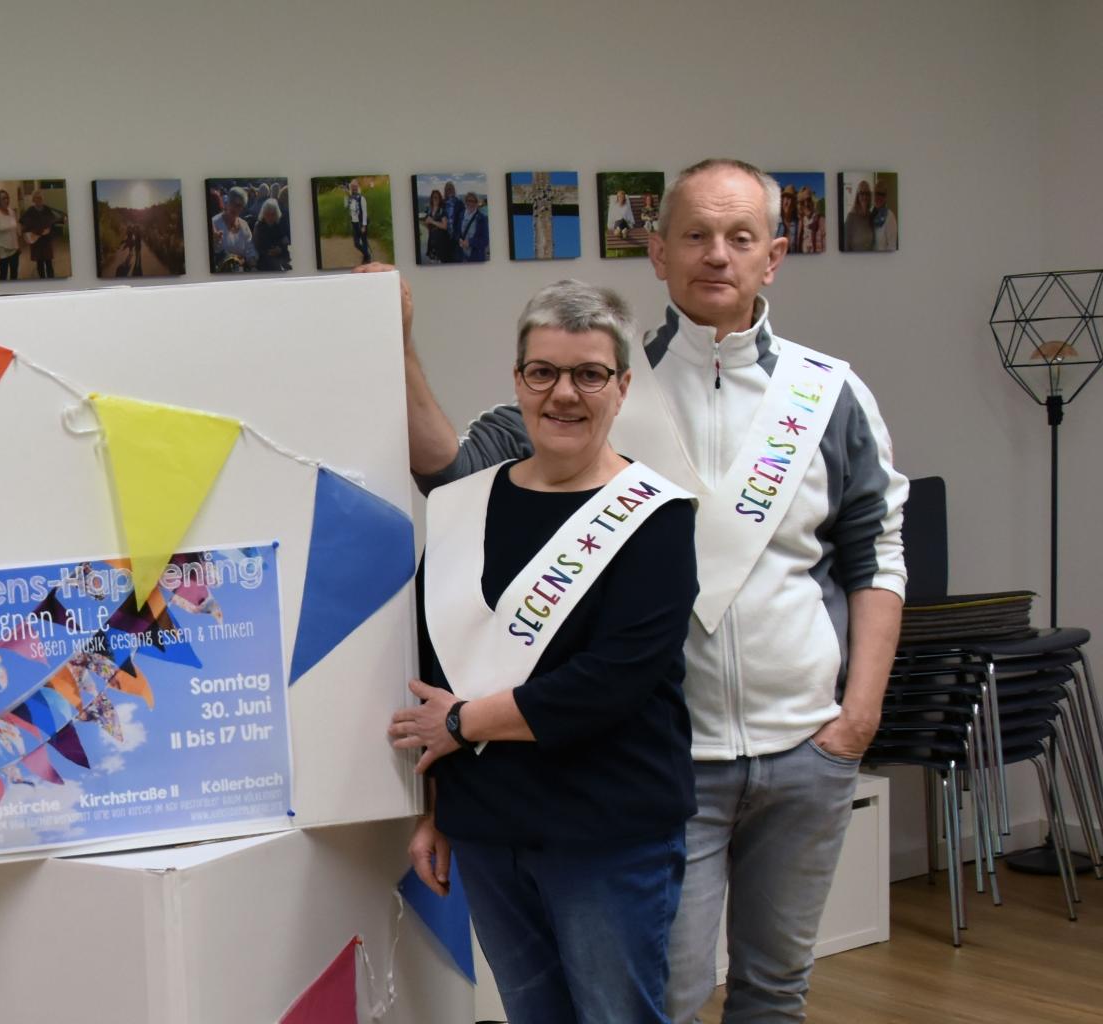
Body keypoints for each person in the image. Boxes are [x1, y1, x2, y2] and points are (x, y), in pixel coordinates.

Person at [372, 157, 907, 1022]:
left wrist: (858, 716)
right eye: (695, 235)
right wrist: (393, 342)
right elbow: (452, 468)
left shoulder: (831, 394)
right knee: (668, 992)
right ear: (657, 253)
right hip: (667, 764)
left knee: (776, 989)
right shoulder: (607, 378)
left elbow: (874, 555)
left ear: (774, 256)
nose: (717, 255)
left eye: (740, 238)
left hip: (806, 746)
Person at [390, 281, 698, 1022]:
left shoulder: (656, 517)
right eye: (544, 372)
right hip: (489, 828)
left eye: (589, 373)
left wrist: (464, 725)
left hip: (607, 836)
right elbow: (439, 669)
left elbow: (611, 683)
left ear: (622, 387)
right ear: (518, 382)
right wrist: (434, 811)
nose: (565, 394)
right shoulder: (464, 506)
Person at [20, 189, 64, 280]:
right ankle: (42, 280)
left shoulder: (47, 209)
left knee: (49, 263)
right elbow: (23, 223)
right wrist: (35, 232)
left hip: (46, 241)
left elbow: (52, 222)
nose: (39, 199)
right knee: (39, 263)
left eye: (40, 198)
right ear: (33, 199)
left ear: (43, 199)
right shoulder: (30, 211)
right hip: (36, 241)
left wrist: (51, 228)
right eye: (37, 198)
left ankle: (51, 282)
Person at [211, 187, 256, 272]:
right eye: (232, 203)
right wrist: (214, 242)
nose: (234, 208)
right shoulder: (214, 223)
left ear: (242, 208)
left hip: (241, 270)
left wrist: (252, 264)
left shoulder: (244, 225)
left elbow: (250, 248)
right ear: (227, 203)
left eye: (239, 205)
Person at [0, 188, 22, 281]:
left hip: (14, 249)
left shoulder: (12, 212)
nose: (6, 200)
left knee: (14, 274)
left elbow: (15, 230)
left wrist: (18, 245)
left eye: (7, 198)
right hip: (3, 251)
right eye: (3, 198)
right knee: (3, 275)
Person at [253, 197, 291, 272]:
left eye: (272, 214)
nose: (270, 217)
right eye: (267, 214)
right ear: (263, 213)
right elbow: (257, 246)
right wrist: (269, 252)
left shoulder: (278, 225)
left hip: (279, 256)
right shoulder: (259, 226)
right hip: (264, 259)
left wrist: (280, 248)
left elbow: (284, 241)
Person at [421, 189, 454, 265]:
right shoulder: (429, 210)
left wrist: (432, 221)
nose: (435, 199)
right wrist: (426, 223)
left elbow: (444, 226)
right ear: (431, 199)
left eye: (437, 197)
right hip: (432, 241)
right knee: (432, 263)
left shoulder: (442, 210)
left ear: (440, 199)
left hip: (441, 242)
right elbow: (427, 225)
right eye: (434, 197)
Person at [842, 178, 876, 252]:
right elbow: (845, 247)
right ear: (857, 196)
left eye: (867, 193)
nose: (864, 196)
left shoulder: (871, 216)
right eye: (862, 193)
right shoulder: (850, 217)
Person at [458, 192, 490, 263]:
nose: (471, 203)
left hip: (476, 257)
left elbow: (485, 240)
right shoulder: (461, 215)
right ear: (465, 202)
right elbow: (458, 232)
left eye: (473, 201)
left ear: (476, 203)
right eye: (468, 201)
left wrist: (470, 242)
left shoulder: (482, 218)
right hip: (463, 256)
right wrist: (459, 239)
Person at [346, 179, 372, 262]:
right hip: (354, 223)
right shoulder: (350, 198)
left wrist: (364, 226)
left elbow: (364, 213)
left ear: (358, 187)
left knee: (364, 241)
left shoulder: (361, 198)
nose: (354, 188)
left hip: (361, 223)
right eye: (352, 186)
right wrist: (346, 195)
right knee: (356, 243)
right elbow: (345, 206)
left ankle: (366, 257)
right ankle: (367, 254)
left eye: (355, 186)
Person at [870, 180, 898, 251]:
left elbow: (892, 247)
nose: (878, 197)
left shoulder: (890, 216)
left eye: (882, 194)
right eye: (876, 193)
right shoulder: (870, 214)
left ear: (886, 197)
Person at [798, 188, 826, 254]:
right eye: (802, 202)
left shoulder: (822, 221)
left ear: (813, 201)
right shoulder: (799, 222)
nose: (806, 204)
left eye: (809, 200)